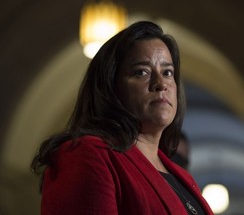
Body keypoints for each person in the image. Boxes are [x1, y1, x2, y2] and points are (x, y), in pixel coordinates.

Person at [31, 21, 213, 215]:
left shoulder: (183, 177)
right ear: (110, 88)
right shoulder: (87, 156)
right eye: (141, 72)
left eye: (167, 72)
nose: (161, 84)